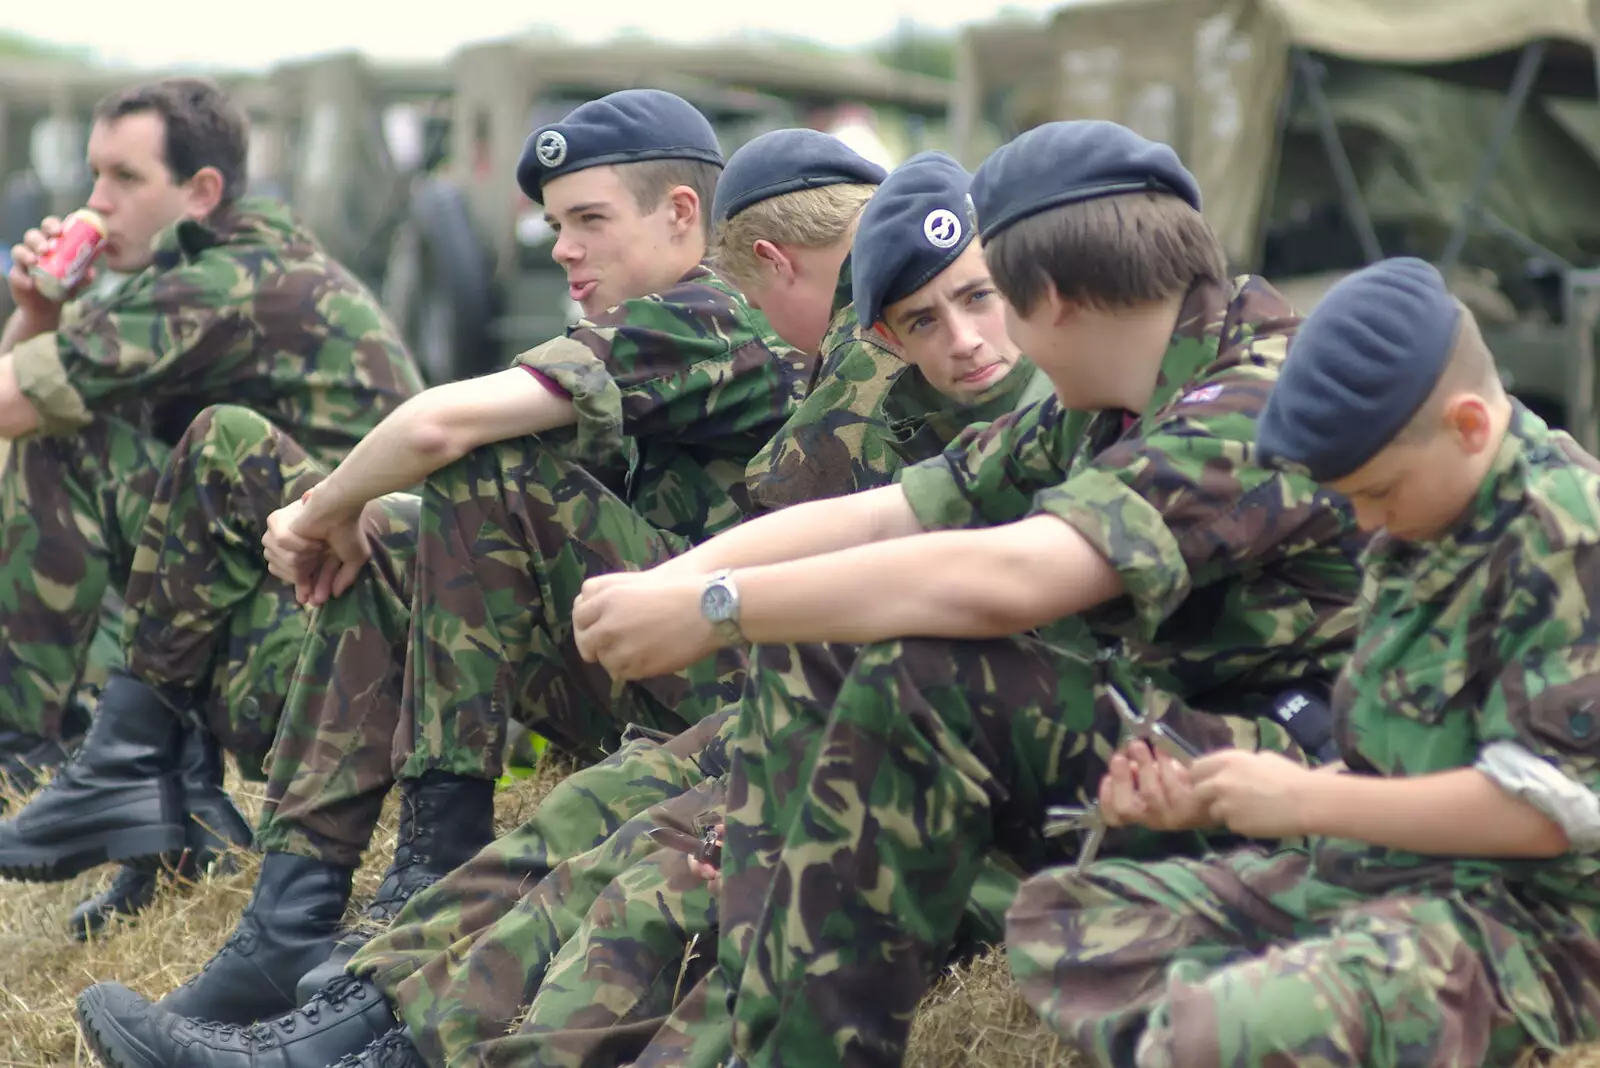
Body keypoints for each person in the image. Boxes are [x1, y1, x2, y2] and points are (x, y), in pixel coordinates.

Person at [66, 133, 1038, 1068]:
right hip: (754, 670)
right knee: (609, 784)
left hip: (835, 711)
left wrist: (324, 509)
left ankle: (362, 939)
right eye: (554, 224)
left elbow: (447, 425)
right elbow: (862, 523)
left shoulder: (727, 319)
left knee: (626, 811)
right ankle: (322, 962)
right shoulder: (862, 364)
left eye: (586, 220)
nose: (561, 248)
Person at [552, 118, 1367, 1068]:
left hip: (1315, 791)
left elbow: (1012, 579)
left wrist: (716, 610)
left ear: (1047, 301)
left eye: (994, 302)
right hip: (1185, 746)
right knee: (825, 632)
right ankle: (757, 1030)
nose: (987, 342)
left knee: (925, 669)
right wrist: (675, 582)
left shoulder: (1254, 398)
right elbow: (889, 516)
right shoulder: (1112, 394)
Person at [1005, 255, 1600, 1068]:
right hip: (1376, 879)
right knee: (1058, 921)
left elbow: (1544, 816)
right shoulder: (1433, 514)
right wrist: (1209, 801)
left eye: (1379, 492)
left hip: (1523, 934)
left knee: (1219, 1031)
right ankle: (1267, 1015)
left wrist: (1305, 802)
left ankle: (1244, 1022)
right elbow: (1392, 764)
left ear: (1468, 427)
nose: (1363, 519)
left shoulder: (1568, 540)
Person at [0, 76, 423, 887]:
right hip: (312, 624)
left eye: (125, 179)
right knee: (126, 458)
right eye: (95, 176)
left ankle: (30, 755)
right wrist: (38, 305)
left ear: (201, 192)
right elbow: (33, 378)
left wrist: (43, 325)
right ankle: (175, 805)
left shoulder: (225, 282)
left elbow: (16, 404)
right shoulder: (219, 270)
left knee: (72, 448)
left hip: (331, 669)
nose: (98, 201)